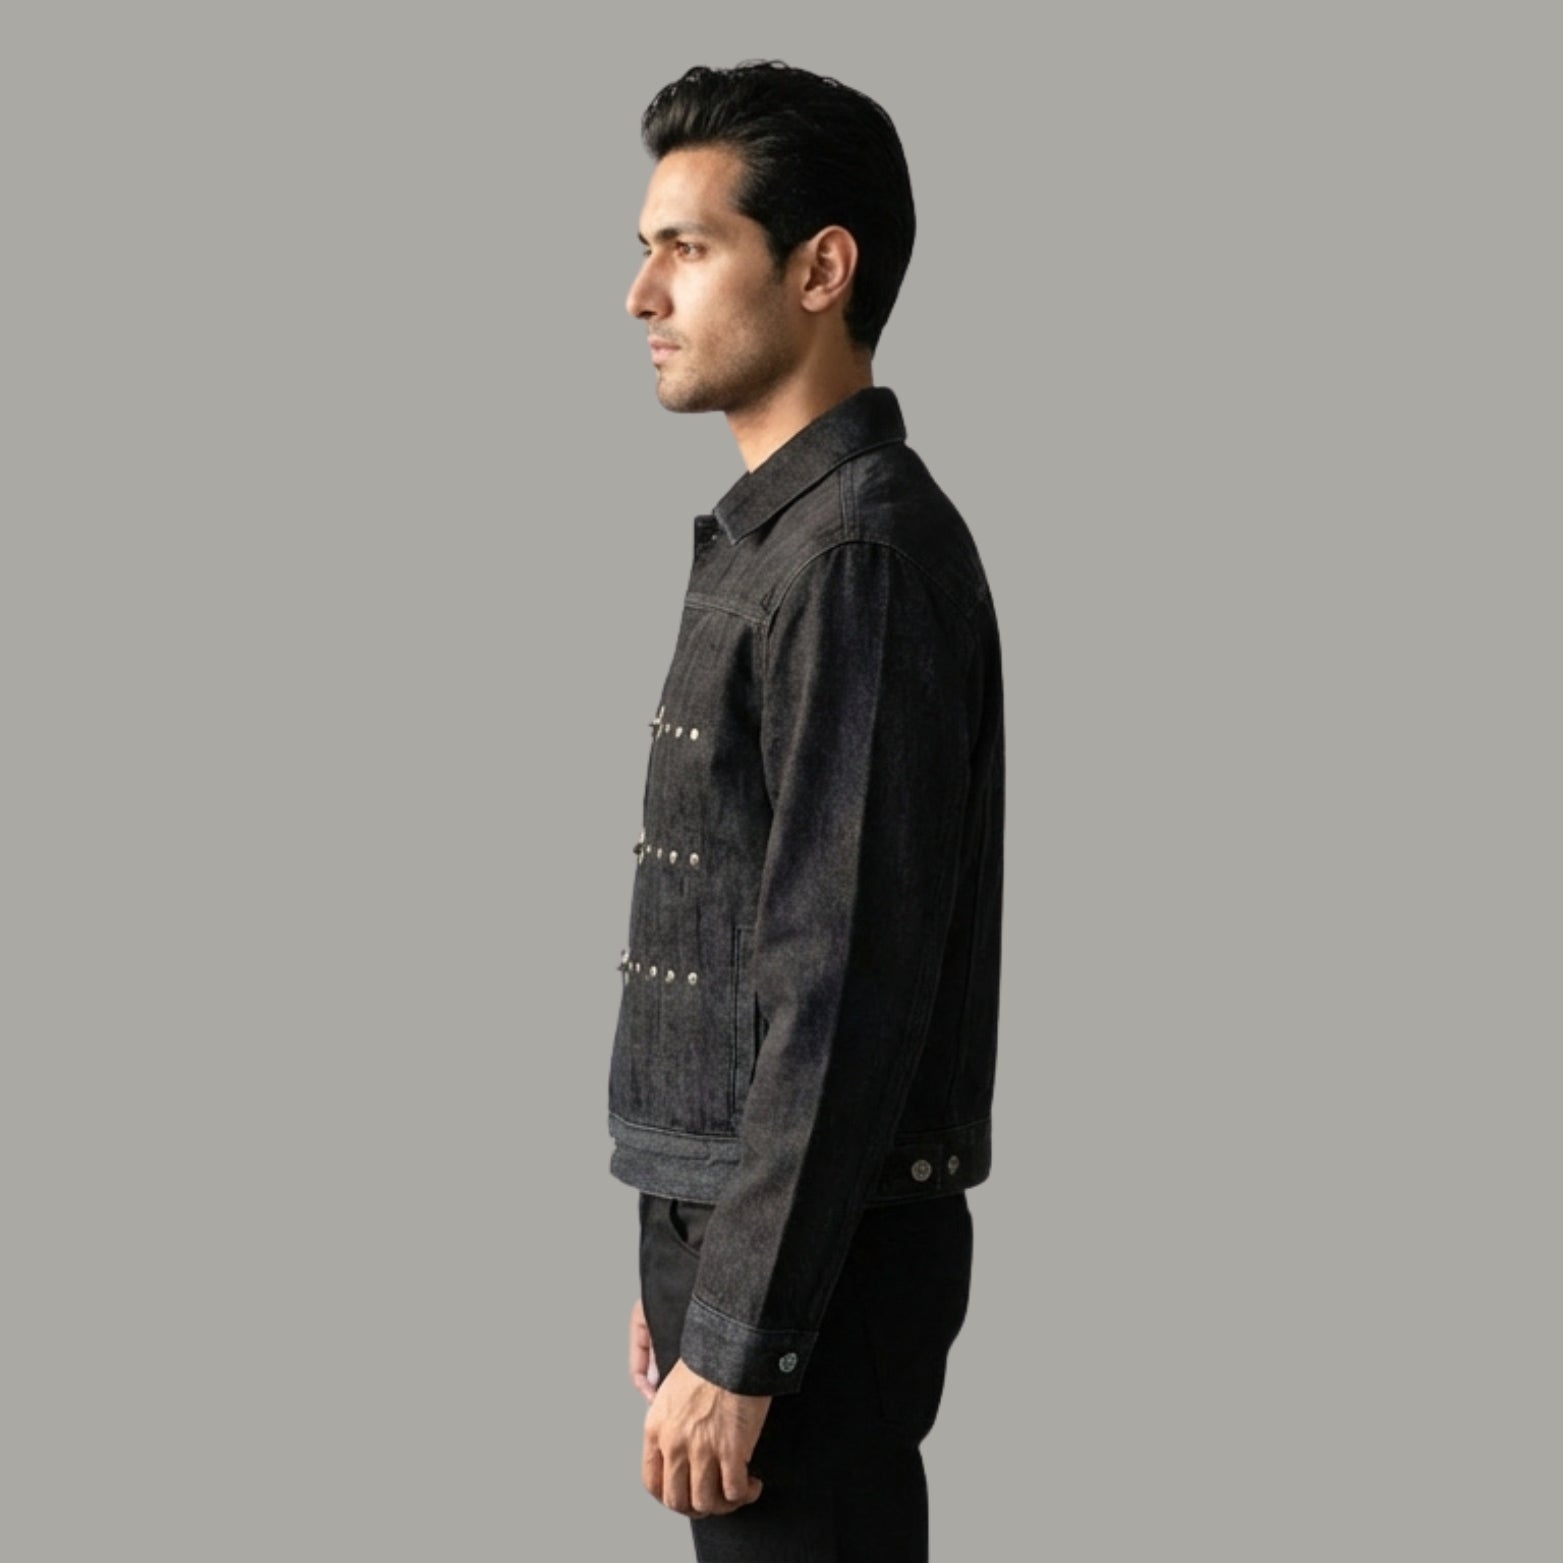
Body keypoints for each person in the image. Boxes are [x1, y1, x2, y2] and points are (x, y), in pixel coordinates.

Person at [608, 60, 1006, 1561]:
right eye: (645, 249)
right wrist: (686, 1246)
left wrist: (742, 1328)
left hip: (816, 1283)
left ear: (821, 269)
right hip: (759, 1250)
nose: (643, 294)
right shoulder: (788, 541)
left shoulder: (853, 560)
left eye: (688, 246)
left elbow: (838, 989)